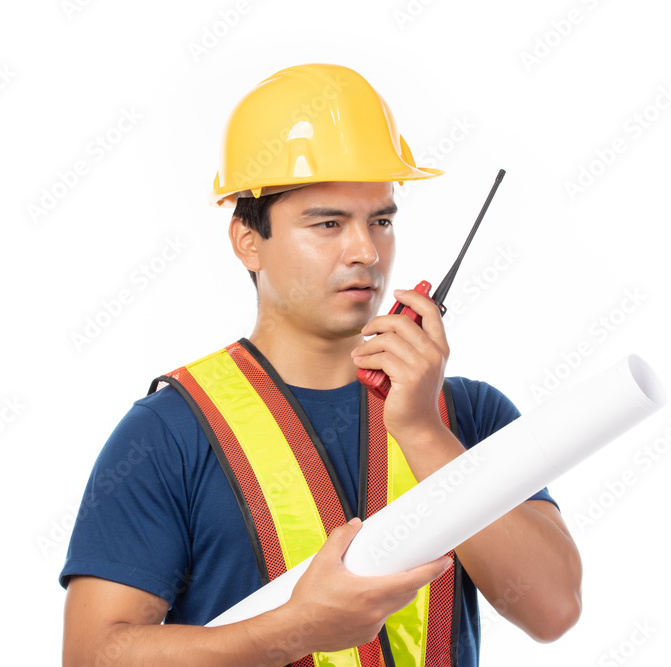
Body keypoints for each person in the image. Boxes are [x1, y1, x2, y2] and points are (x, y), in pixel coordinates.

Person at [59, 63, 582, 667]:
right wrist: (295, 628)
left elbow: (553, 610)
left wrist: (421, 429)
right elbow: (95, 656)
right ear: (247, 240)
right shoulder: (169, 433)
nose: (365, 252)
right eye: (327, 223)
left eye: (380, 220)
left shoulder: (470, 414)